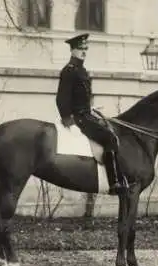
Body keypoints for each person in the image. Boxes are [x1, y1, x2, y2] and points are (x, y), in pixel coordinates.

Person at [56, 33, 127, 195]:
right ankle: (114, 182)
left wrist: (92, 107)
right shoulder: (69, 71)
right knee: (110, 138)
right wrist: (69, 122)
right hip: (80, 119)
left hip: (87, 114)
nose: (83, 51)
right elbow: (62, 99)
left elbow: (80, 97)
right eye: (80, 48)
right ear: (72, 50)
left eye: (85, 48)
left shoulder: (81, 70)